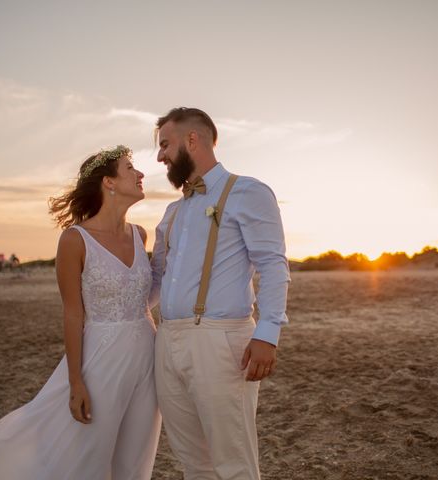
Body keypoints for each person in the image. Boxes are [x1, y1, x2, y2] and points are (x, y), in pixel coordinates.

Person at [0, 145, 161, 480]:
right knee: (89, 457)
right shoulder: (75, 240)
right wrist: (75, 383)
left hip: (148, 356)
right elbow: (73, 315)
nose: (140, 174)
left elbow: (141, 297)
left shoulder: (140, 234)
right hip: (101, 359)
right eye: (130, 167)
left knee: (135, 459)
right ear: (108, 182)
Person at [150, 108, 290, 480]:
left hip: (221, 340)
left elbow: (273, 266)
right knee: (193, 463)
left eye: (165, 144)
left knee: (234, 463)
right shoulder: (171, 212)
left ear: (192, 140)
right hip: (167, 342)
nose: (160, 155)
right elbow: (158, 281)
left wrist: (268, 333)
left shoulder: (249, 192)